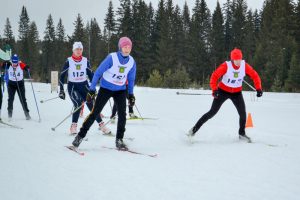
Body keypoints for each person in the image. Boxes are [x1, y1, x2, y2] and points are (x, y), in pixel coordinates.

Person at [72, 37, 136, 150]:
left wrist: (130, 95)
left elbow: (131, 80)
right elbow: (97, 73)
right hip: (106, 88)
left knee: (122, 115)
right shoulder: (112, 58)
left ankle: (119, 140)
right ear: (120, 47)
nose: (127, 49)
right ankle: (79, 136)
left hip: (120, 90)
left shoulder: (131, 62)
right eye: (125, 47)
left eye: (129, 47)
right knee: (95, 112)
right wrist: (91, 90)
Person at [187, 48, 263, 143]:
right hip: (223, 91)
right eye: (236, 60)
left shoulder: (244, 66)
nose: (238, 62)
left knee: (243, 114)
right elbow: (214, 76)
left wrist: (258, 88)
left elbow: (255, 75)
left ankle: (241, 134)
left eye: (239, 59)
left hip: (237, 93)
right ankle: (193, 130)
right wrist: (214, 90)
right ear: (232, 59)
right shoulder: (226, 66)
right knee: (212, 112)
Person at [59, 42, 111, 135]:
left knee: (92, 106)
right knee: (78, 103)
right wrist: (62, 90)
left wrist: (93, 87)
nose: (78, 51)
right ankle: (73, 126)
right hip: (73, 86)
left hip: (84, 85)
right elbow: (62, 76)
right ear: (73, 50)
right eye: (76, 49)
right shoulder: (69, 61)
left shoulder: (85, 60)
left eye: (80, 49)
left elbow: (91, 75)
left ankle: (102, 125)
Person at [1, 54, 31, 120]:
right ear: (11, 61)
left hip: (20, 84)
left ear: (18, 61)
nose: (15, 63)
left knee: (23, 99)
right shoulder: (9, 64)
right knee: (10, 99)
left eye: (16, 62)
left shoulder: (20, 64)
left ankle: (27, 114)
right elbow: (2, 67)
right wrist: (4, 64)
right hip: (11, 84)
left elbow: (26, 67)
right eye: (13, 62)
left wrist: (27, 68)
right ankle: (9, 115)